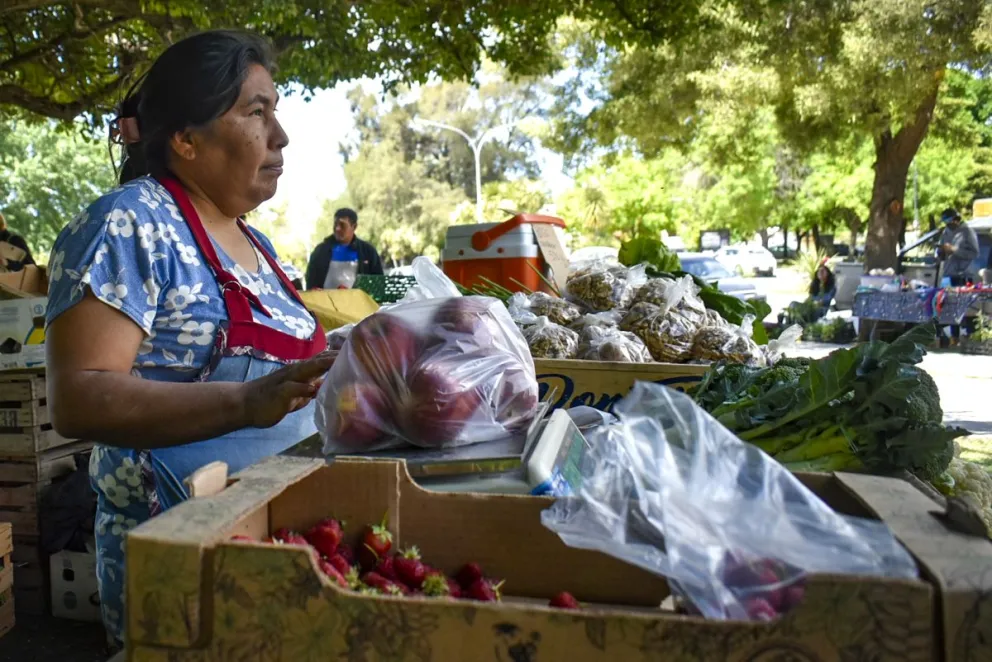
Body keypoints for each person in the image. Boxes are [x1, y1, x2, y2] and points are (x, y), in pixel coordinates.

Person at [44, 30, 332, 646]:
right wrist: (244, 402)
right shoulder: (128, 222)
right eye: (257, 112)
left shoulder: (258, 246)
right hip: (183, 561)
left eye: (275, 112)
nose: (280, 135)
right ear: (185, 138)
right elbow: (79, 397)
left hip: (280, 549)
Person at [305, 207, 383, 290]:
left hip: (357, 302)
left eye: (342, 225)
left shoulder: (368, 252)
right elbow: (310, 282)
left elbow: (378, 283)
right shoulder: (320, 251)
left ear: (354, 227)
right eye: (335, 224)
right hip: (325, 301)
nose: (337, 228)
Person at [938, 207, 979, 344]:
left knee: (966, 305)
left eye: (950, 221)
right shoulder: (946, 232)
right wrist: (942, 252)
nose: (948, 225)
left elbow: (974, 253)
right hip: (949, 273)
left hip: (965, 273)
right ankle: (954, 336)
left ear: (956, 219)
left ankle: (971, 334)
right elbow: (941, 251)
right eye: (946, 222)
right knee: (951, 305)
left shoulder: (967, 231)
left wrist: (955, 250)